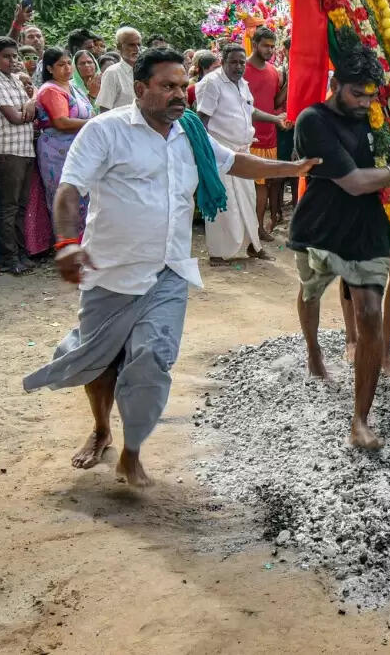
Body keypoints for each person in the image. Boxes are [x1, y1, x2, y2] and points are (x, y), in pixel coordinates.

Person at [26, 48, 315, 481]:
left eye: (183, 86)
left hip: (169, 271)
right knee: (102, 359)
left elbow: (234, 161)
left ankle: (134, 449)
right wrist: (67, 243)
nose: (180, 94)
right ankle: (102, 429)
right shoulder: (105, 131)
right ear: (141, 90)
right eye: (168, 87)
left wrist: (291, 167)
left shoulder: (191, 131)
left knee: (152, 358)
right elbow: (69, 189)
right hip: (111, 270)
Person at [291, 46, 390, 446]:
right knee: (311, 292)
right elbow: (356, 182)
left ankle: (360, 419)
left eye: (370, 95)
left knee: (368, 313)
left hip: (367, 228)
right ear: (335, 85)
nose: (364, 103)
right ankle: (313, 351)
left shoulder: (379, 118)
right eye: (356, 95)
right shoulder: (313, 120)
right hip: (321, 227)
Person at [195, 43, 284, 263]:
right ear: (223, 61)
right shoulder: (211, 83)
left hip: (242, 152)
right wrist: (205, 156)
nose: (238, 66)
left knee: (247, 199)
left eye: (241, 62)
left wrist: (275, 119)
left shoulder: (242, 83)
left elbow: (249, 110)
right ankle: (218, 253)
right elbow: (201, 121)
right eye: (233, 62)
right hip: (220, 152)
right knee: (225, 204)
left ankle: (253, 246)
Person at [0, 37, 38, 275]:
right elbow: (15, 117)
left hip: (26, 149)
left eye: (15, 56)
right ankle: (8, 258)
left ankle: (21, 253)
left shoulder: (15, 80)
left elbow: (32, 109)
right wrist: (28, 108)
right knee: (9, 207)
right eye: (6, 56)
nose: (12, 60)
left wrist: (30, 104)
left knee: (22, 206)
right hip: (7, 151)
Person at [30, 47, 94, 254]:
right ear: (49, 68)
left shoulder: (73, 87)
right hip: (58, 151)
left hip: (79, 148)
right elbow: (61, 121)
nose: (67, 68)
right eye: (61, 64)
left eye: (68, 63)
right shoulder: (50, 89)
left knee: (85, 193)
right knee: (66, 194)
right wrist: (94, 123)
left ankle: (86, 242)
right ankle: (68, 247)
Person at [241, 26, 288, 241]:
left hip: (269, 136)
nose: (270, 50)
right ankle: (245, 229)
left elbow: (275, 102)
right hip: (247, 136)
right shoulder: (241, 70)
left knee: (264, 185)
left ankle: (258, 227)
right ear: (255, 44)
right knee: (245, 185)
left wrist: (291, 82)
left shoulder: (273, 72)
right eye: (265, 46)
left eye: (272, 46)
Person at [95, 26, 141, 111]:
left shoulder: (146, 71)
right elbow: (104, 109)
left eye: (138, 44)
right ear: (119, 46)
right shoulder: (112, 73)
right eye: (132, 45)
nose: (137, 49)